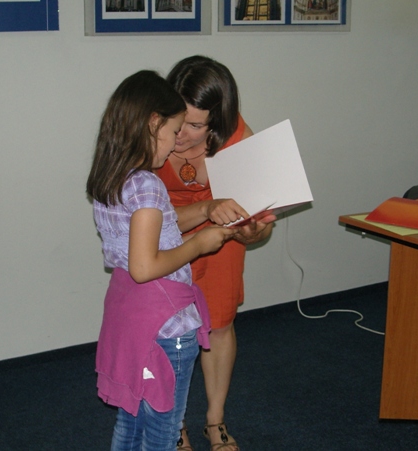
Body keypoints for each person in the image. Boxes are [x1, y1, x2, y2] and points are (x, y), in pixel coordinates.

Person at [87, 70, 237, 451]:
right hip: (166, 324)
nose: (174, 144)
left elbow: (155, 228)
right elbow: (145, 266)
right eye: (173, 131)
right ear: (153, 124)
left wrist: (205, 209)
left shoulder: (111, 176)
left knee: (131, 417)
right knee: (163, 429)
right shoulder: (148, 185)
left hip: (130, 317)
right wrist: (199, 244)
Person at [156, 55, 275, 451]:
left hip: (221, 233)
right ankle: (173, 425)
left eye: (196, 126)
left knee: (220, 324)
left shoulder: (237, 136)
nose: (181, 135)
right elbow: (141, 215)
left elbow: (260, 222)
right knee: (168, 331)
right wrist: (204, 209)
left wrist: (252, 231)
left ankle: (215, 420)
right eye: (178, 121)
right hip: (165, 230)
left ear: (218, 121)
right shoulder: (149, 129)